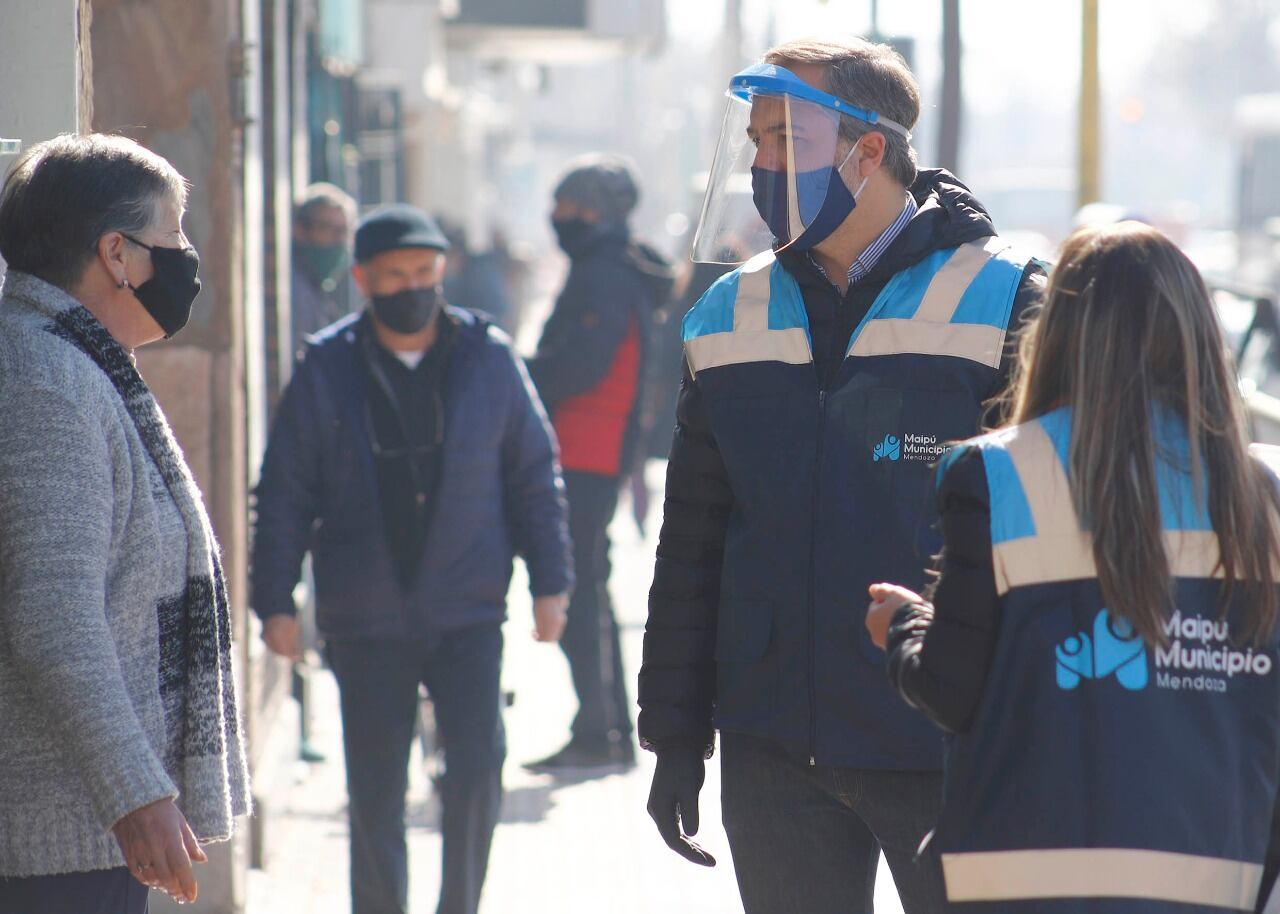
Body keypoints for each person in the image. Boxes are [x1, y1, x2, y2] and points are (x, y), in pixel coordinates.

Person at [638, 38, 1046, 913]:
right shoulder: (726, 313)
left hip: (949, 741)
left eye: (786, 138)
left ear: (870, 151)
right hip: (773, 750)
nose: (762, 162)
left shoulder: (1012, 298)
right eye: (755, 141)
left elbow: (1055, 534)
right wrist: (676, 733)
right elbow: (695, 537)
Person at [867, 222, 1280, 912]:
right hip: (1218, 883)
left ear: (1056, 333)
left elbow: (950, 687)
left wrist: (904, 624)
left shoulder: (994, 473)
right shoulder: (1262, 495)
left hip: (1021, 885)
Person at [252, 203, 572, 914]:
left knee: (477, 771)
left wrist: (552, 584)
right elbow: (284, 491)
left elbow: (533, 474)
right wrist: (274, 599)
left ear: (442, 273)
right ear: (363, 279)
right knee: (373, 790)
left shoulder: (489, 358)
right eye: (394, 275)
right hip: (364, 615)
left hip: (467, 607)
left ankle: (460, 904)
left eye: (423, 273)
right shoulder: (327, 366)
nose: (411, 287)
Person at [0, 133, 250, 912]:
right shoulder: (45, 380)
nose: (187, 259)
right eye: (173, 237)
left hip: (87, 821)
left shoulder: (79, 362)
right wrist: (137, 795)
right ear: (116, 253)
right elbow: (54, 614)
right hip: (62, 832)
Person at [524, 154, 674, 773]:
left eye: (566, 205)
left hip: (584, 448)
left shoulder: (604, 274)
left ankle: (599, 733)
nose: (556, 217)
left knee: (577, 586)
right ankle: (605, 726)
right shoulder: (615, 267)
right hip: (597, 448)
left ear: (592, 211)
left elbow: (581, 364)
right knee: (587, 585)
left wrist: (519, 380)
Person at [291, 182, 357, 356]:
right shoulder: (293, 289)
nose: (339, 240)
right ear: (300, 230)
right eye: (328, 229)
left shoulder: (317, 292)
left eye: (344, 231)